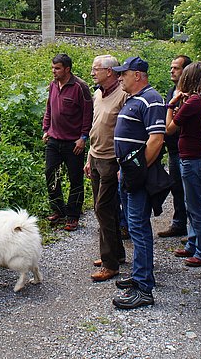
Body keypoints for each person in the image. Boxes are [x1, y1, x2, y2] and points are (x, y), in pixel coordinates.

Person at [111, 57, 167, 309]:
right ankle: (138, 275)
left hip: (137, 175)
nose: (120, 77)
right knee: (134, 228)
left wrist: (137, 171)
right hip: (129, 173)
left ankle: (144, 287)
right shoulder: (135, 99)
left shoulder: (151, 99)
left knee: (138, 228)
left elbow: (156, 139)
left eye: (124, 73)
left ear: (138, 75)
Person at [165, 61, 201, 267]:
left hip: (191, 158)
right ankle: (193, 244)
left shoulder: (192, 102)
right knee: (191, 204)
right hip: (195, 156)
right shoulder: (200, 100)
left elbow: (169, 128)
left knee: (196, 207)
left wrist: (171, 104)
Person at [84, 55, 128, 282]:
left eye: (96, 69)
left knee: (103, 208)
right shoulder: (98, 94)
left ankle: (110, 264)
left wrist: (122, 163)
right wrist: (90, 157)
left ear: (109, 72)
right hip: (96, 156)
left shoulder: (123, 95)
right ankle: (116, 253)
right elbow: (95, 126)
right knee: (104, 208)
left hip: (112, 159)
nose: (92, 73)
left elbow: (125, 131)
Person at [43, 53, 94, 231]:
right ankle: (58, 210)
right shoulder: (53, 85)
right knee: (51, 174)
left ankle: (73, 215)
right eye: (52, 67)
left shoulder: (80, 87)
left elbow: (88, 114)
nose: (54, 71)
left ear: (67, 69)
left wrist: (83, 137)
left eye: (57, 68)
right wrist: (46, 129)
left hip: (74, 143)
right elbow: (49, 108)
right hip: (54, 140)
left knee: (75, 179)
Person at [157, 55, 191, 239]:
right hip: (172, 148)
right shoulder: (172, 91)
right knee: (176, 187)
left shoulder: (190, 94)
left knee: (189, 192)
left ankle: (193, 232)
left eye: (176, 68)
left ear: (186, 70)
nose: (172, 70)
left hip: (185, 149)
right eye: (171, 67)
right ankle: (179, 223)